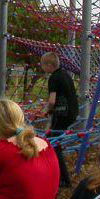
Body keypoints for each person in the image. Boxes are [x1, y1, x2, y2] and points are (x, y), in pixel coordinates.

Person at [40, 52, 78, 188]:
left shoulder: (54, 78)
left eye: (43, 65)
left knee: (52, 143)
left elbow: (52, 101)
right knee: (54, 142)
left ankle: (63, 179)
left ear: (50, 65)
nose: (42, 67)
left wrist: (46, 111)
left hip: (62, 114)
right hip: (71, 113)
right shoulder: (65, 74)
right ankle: (59, 176)